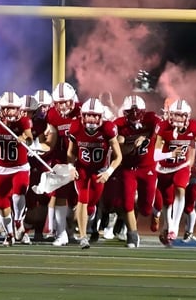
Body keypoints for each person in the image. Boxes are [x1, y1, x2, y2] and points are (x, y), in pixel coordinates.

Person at [67, 97, 122, 249]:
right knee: (82, 199)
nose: (91, 119)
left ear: (101, 116)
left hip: (100, 170)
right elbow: (71, 152)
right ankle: (83, 237)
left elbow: (118, 156)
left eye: (95, 115)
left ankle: (89, 218)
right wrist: (71, 167)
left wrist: (109, 172)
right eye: (88, 115)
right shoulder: (75, 127)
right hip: (82, 168)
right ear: (82, 115)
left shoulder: (108, 128)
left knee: (91, 204)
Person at [0, 91, 33, 247]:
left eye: (13, 108)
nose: (10, 112)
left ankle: (18, 221)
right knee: (2, 203)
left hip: (20, 167)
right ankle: (10, 234)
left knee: (19, 193)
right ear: (1, 108)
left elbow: (30, 139)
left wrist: (23, 138)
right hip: (1, 169)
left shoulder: (23, 121)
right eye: (7, 108)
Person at [114, 95, 162, 248]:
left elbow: (160, 132)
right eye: (131, 112)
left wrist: (146, 139)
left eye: (137, 112)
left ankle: (155, 213)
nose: (135, 116)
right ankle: (132, 235)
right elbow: (118, 148)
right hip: (129, 169)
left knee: (146, 208)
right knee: (128, 203)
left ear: (143, 111)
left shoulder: (152, 120)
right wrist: (129, 146)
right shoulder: (119, 125)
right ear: (125, 113)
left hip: (148, 168)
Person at [153, 99, 196, 246]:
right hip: (163, 168)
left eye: (181, 116)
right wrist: (170, 154)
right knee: (167, 202)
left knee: (180, 189)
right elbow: (156, 156)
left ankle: (174, 227)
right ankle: (168, 227)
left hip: (182, 166)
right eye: (175, 115)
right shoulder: (163, 127)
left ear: (187, 116)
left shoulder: (193, 127)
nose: (178, 119)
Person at [46, 82, 81, 246]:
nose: (63, 105)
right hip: (62, 159)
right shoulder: (52, 114)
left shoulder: (83, 111)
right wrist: (40, 146)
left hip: (82, 160)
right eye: (59, 102)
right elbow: (51, 140)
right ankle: (61, 234)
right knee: (60, 195)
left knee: (81, 201)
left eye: (66, 101)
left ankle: (71, 229)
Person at [20, 91, 56, 243]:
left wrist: (34, 146)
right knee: (21, 197)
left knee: (42, 199)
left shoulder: (43, 124)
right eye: (24, 111)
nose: (27, 114)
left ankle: (37, 230)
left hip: (39, 164)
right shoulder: (13, 123)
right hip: (20, 165)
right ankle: (22, 228)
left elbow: (47, 145)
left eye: (30, 112)